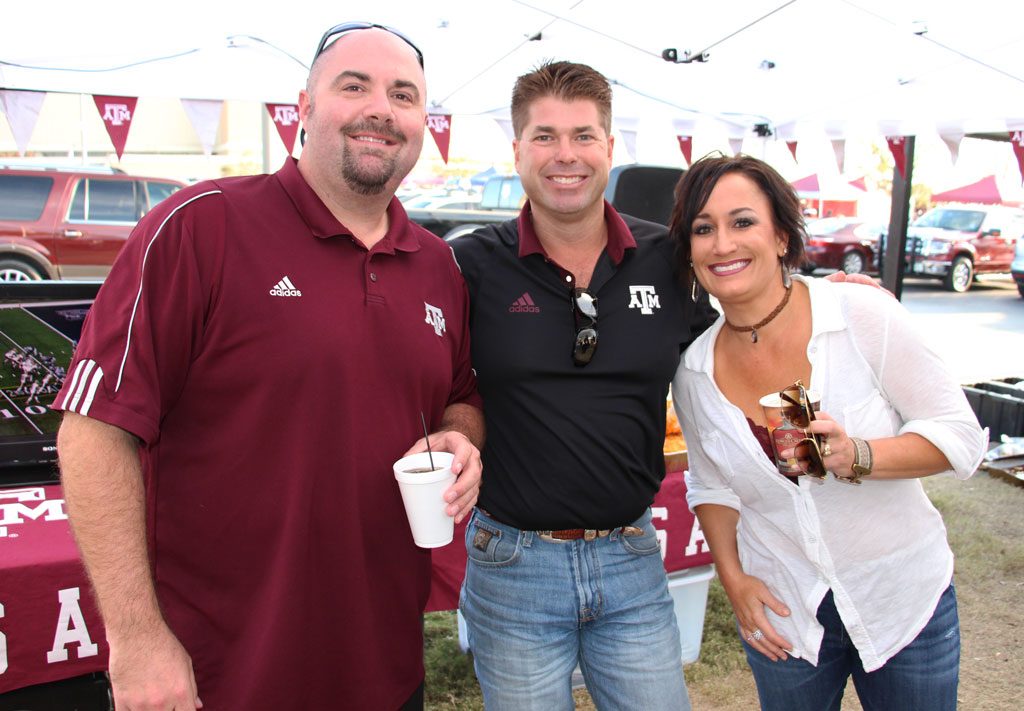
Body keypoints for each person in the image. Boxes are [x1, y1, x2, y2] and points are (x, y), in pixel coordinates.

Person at [54, 23, 483, 711]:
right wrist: (136, 638)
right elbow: (94, 430)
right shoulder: (201, 227)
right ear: (304, 107)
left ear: (423, 123)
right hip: (218, 676)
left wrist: (462, 436)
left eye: (403, 94)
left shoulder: (437, 266)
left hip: (387, 670)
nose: (381, 108)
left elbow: (462, 397)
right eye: (354, 86)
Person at [669, 154, 987, 711]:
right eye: (703, 229)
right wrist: (735, 579)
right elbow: (711, 485)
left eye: (743, 222)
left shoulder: (859, 315)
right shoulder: (693, 370)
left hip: (900, 599)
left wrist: (858, 454)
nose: (722, 244)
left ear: (783, 238)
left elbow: (961, 435)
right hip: (788, 610)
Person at [449, 60, 718, 711]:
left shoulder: (670, 259)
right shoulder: (470, 263)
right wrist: (456, 436)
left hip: (631, 558)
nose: (564, 154)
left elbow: (745, 329)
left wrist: (829, 304)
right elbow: (447, 384)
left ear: (609, 146)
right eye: (544, 136)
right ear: (517, 149)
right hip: (512, 565)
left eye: (582, 135)